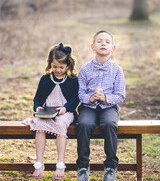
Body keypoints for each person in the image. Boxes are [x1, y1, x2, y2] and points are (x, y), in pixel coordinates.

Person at [22, 43, 79, 180]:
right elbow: (38, 98)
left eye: (61, 67)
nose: (58, 70)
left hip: (66, 112)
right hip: (47, 112)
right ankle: (39, 163)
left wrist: (66, 108)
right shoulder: (45, 79)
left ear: (68, 66)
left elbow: (75, 99)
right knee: (39, 126)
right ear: (49, 65)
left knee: (60, 123)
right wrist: (38, 107)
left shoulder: (72, 80)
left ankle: (60, 164)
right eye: (54, 67)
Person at [76, 30, 125, 181]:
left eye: (107, 41)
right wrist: (90, 98)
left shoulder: (117, 70)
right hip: (88, 107)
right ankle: (83, 167)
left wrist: (105, 98)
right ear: (93, 46)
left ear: (113, 48)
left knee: (110, 123)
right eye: (99, 41)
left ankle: (110, 167)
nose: (103, 43)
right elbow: (80, 93)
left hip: (108, 107)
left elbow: (120, 95)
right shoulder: (84, 69)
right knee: (83, 123)